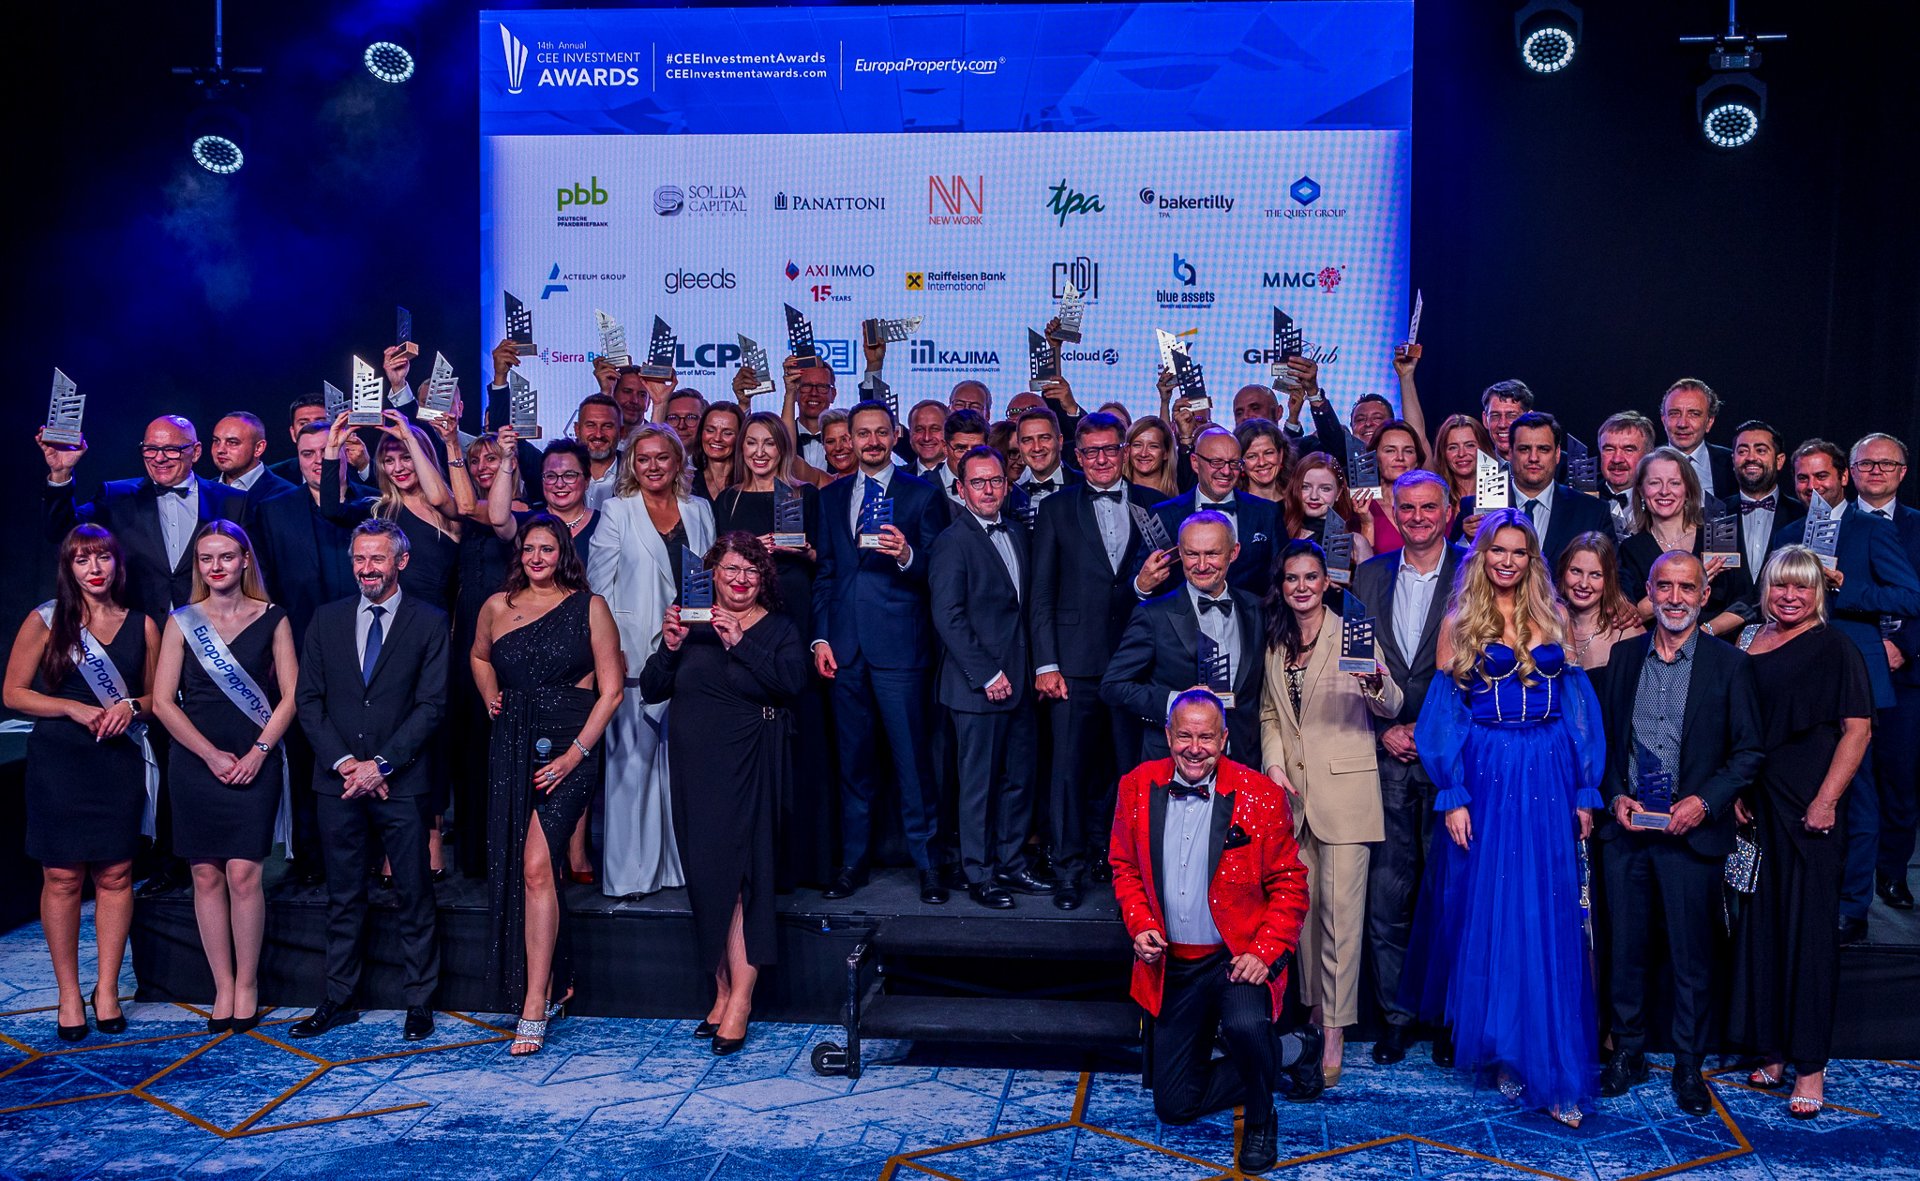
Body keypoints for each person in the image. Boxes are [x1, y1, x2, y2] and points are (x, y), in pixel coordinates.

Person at [1406, 509, 1604, 1125]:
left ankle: (1551, 1064)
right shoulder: (1459, 622)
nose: (1508, 561)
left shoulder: (1554, 617)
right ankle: (1506, 1050)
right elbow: (1443, 717)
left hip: (1546, 772)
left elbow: (1576, 708)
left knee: (1546, 915)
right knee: (1493, 914)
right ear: (1482, 555)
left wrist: (1583, 789)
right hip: (1488, 775)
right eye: (1498, 550)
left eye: (1519, 551)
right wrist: (1454, 791)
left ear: (1531, 558)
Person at [1109, 691, 1313, 1175]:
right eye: (1185, 736)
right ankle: (1290, 1050)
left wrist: (1265, 952)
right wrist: (1139, 925)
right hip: (1173, 965)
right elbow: (1123, 867)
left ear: (1223, 739)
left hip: (1234, 957)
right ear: (1168, 736)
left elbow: (1290, 884)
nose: (1195, 747)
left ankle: (1262, 1119)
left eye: (1206, 737)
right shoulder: (1136, 786)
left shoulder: (1261, 794)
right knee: (1175, 1105)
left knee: (1245, 1025)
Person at [1593, 551, 1763, 1115]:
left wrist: (1705, 802)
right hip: (1629, 833)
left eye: (1685, 588)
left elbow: (1747, 754)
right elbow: (1606, 744)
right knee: (1627, 952)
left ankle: (1689, 1065)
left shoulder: (1729, 664)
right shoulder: (1622, 657)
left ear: (1703, 595)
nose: (1673, 598)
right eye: (1663, 586)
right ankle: (1630, 1053)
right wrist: (1615, 792)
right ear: (1649, 589)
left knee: (1692, 958)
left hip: (1692, 835)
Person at [643, 534, 809, 1053]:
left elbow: (791, 683)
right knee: (707, 877)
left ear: (764, 580)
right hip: (694, 766)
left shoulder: (778, 627)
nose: (739, 580)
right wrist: (668, 648)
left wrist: (741, 641)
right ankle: (719, 989)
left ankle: (742, 998)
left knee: (743, 879)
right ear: (711, 574)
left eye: (750, 572)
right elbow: (651, 688)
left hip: (749, 764)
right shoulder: (692, 624)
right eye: (729, 569)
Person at [290, 518, 448, 1043]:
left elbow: (431, 707)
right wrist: (346, 766)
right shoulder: (326, 619)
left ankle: (420, 1002)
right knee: (342, 895)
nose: (366, 569)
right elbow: (307, 702)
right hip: (336, 783)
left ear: (401, 561)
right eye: (359, 559)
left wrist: (379, 766)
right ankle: (338, 998)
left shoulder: (429, 621)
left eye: (377, 559)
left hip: (400, 784)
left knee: (413, 893)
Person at [1728, 546, 1872, 1119]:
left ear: (1818, 592)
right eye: (1780, 586)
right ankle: (1773, 1050)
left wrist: (1827, 799)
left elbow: (1857, 731)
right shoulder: (1749, 641)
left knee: (1809, 934)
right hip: (1757, 802)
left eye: (1801, 587)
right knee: (1763, 928)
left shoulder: (1837, 647)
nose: (1789, 596)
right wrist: (1737, 790)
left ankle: (1810, 1066)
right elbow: (1738, 726)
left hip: (1811, 806)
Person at [471, 515, 623, 1055]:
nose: (537, 557)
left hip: (570, 747)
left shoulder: (590, 607)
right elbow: (479, 655)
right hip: (513, 743)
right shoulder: (496, 606)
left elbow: (612, 692)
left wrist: (575, 754)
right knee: (526, 868)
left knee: (538, 865)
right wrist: (490, 693)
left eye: (548, 549)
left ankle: (533, 1002)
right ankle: (555, 981)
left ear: (564, 554)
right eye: (530, 549)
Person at [3, 526, 158, 1041]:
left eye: (103, 558)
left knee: (115, 875)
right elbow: (14, 693)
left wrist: (131, 705)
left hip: (117, 764)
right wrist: (70, 705)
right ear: (68, 568)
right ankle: (69, 992)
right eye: (82, 560)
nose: (94, 569)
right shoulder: (46, 621)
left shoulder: (143, 625)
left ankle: (108, 988)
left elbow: (159, 699)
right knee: (63, 877)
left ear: (117, 564)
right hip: (60, 763)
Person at [1260, 540, 1400, 1084]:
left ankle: (1336, 1032)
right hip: (1293, 800)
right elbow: (1271, 714)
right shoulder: (1276, 641)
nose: (1301, 586)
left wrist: (1370, 679)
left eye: (1310, 577)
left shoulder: (1350, 632)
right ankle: (1317, 1017)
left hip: (1345, 797)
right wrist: (1273, 767)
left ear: (1327, 582)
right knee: (1304, 924)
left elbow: (1390, 704)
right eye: (1292, 577)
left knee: (1342, 922)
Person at [150, 521, 299, 1034]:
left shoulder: (273, 618)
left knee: (244, 873)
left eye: (227, 557)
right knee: (206, 874)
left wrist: (259, 751)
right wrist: (210, 755)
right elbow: (162, 702)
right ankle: (221, 984)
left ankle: (248, 984)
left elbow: (292, 696)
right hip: (196, 760)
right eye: (207, 558)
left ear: (245, 561)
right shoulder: (182, 621)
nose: (217, 567)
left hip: (255, 758)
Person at [1771, 440, 1920, 943]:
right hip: (1799, 680)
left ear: (1843, 479)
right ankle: (1803, 895)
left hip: (1856, 674)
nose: (1813, 488)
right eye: (1803, 479)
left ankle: (1853, 906)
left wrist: (1843, 585)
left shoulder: (1872, 531)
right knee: (1799, 788)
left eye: (1822, 477)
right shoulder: (1790, 534)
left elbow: (1909, 595)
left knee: (1856, 794)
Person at [1348, 470, 1468, 1066]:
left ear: (1447, 511)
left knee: (1449, 897)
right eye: (1408, 508)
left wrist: (1433, 733)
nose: (1418, 517)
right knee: (1388, 896)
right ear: (1392, 512)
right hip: (1386, 759)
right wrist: (1381, 729)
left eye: (1429, 508)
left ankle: (1448, 1017)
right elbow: (1352, 667)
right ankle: (1395, 1016)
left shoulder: (1477, 571)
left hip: (1455, 767)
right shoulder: (1366, 577)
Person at [811, 401, 947, 903]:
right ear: (848, 438)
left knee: (912, 762)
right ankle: (853, 861)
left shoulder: (921, 495)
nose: (870, 442)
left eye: (880, 433)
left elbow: (937, 569)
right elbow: (826, 572)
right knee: (854, 763)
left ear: (896, 437)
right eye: (861, 434)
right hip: (845, 650)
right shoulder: (832, 497)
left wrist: (907, 555)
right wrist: (821, 637)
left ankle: (928, 864)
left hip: (900, 650)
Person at [319, 410, 460, 879]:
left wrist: (408, 434)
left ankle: (432, 835)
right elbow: (331, 509)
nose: (398, 466)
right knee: (392, 728)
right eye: (390, 458)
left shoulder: (448, 508)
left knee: (434, 734)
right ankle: (391, 841)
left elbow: (440, 493)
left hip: (437, 633)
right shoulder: (380, 510)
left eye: (405, 456)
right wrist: (334, 445)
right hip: (389, 631)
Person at [587, 424, 716, 898]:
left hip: (692, 648)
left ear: (678, 461)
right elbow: (598, 589)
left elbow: (710, 576)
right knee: (632, 763)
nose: (654, 466)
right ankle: (629, 876)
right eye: (644, 459)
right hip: (634, 650)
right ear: (632, 465)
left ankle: (673, 869)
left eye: (663, 457)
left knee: (677, 765)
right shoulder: (617, 511)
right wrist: (608, 650)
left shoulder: (698, 509)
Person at [1030, 413, 1149, 907]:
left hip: (1137, 662)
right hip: (1073, 663)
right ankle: (1069, 870)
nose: (1101, 459)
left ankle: (1130, 874)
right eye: (1090, 452)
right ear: (1076, 457)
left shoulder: (1154, 505)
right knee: (1069, 773)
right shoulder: (1056, 507)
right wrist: (1046, 663)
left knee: (1131, 773)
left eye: (1110, 449)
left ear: (1123, 450)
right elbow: (1040, 592)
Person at [930, 446, 1048, 908]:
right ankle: (979, 873)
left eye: (995, 481)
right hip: (976, 686)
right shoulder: (951, 540)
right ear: (961, 490)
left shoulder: (1017, 532)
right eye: (977, 482)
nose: (988, 490)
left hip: (1020, 681)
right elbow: (947, 616)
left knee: (1019, 779)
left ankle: (1013, 864)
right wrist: (987, 673)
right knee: (977, 785)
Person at [41, 414, 249, 633]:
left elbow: (252, 572)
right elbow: (60, 533)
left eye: (171, 449)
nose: (159, 458)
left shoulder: (232, 501)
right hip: (136, 636)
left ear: (195, 451)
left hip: (212, 638)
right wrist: (61, 472)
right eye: (150, 449)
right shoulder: (115, 496)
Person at [1103, 513, 1265, 764]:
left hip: (1243, 758)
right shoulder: (1153, 615)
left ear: (1233, 553)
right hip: (1171, 761)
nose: (1201, 565)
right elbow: (1112, 686)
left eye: (1212, 554)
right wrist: (1176, 701)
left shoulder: (1256, 609)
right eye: (1191, 554)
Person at [1846, 434, 1920, 914]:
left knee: (1899, 779)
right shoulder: (1834, 524)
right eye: (1865, 463)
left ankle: (1891, 874)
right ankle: (1848, 884)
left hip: (1905, 672)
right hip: (1846, 670)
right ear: (1850, 470)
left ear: (1903, 472)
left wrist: (1902, 648)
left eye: (1885, 464)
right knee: (1850, 780)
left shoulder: (1917, 527)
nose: (1875, 471)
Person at [1617, 447, 1751, 636]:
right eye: (1655, 483)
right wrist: (1694, 577)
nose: (1664, 491)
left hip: (1717, 647)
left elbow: (1745, 603)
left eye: (1674, 483)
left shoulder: (1718, 535)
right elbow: (1634, 615)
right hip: (1658, 652)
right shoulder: (1631, 549)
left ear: (1688, 490)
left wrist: (1704, 633)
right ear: (1640, 490)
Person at [1453, 413, 1613, 562]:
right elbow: (1450, 572)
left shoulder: (1592, 512)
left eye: (1543, 449)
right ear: (1510, 453)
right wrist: (1467, 542)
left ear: (1557, 454)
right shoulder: (1475, 508)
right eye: (1524, 449)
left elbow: (1615, 578)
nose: (1533, 458)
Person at [1146, 427, 1281, 598]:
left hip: (1251, 621)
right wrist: (1141, 587)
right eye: (1216, 462)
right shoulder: (1164, 515)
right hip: (1184, 622)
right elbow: (1145, 580)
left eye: (1234, 463)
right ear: (1195, 462)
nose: (1226, 471)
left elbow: (1280, 577)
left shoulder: (1266, 513)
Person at [1556, 532, 1645, 678]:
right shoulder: (1545, 624)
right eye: (1576, 571)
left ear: (1609, 579)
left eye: (1596, 575)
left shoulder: (1628, 632)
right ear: (1563, 571)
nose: (1584, 584)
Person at [1280, 453, 1372, 577]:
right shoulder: (1279, 532)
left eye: (1325, 489)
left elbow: (1368, 593)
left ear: (1338, 492)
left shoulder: (1355, 543)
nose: (1314, 496)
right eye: (1305, 487)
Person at [1729, 421, 1801, 571]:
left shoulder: (1801, 515)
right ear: (1733, 460)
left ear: (1779, 461)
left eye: (1760, 450)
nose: (1751, 458)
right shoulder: (1714, 514)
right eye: (1742, 451)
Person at [1356, 419, 1426, 554]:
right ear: (1374, 457)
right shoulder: (1362, 507)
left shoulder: (1432, 507)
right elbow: (1361, 568)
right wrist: (1366, 525)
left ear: (1417, 460)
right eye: (1390, 450)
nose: (1400, 457)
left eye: (1408, 451)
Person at [1660, 378, 1735, 500]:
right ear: (1664, 420)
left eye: (1694, 414)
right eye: (1674, 413)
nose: (1682, 424)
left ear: (1709, 422)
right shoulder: (1645, 463)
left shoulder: (1731, 463)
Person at [208, 411, 296, 514]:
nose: (220, 449)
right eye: (216, 441)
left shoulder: (285, 495)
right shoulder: (204, 491)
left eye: (232, 443)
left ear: (258, 448)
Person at [1596, 411, 1657, 538]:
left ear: (1649, 455)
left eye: (1628, 449)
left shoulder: (1660, 499)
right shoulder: (1580, 497)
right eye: (1609, 449)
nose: (1617, 459)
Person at [1013, 407, 1080, 504]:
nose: (1037, 448)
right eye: (1027, 440)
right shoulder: (1012, 495)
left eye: (1044, 438)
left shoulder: (1084, 485)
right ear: (1019, 447)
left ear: (1060, 442)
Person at [1427, 414, 1494, 509]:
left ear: (1483, 448)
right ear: (1443, 453)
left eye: (1470, 445)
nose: (1461, 454)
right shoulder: (1434, 494)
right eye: (1453, 447)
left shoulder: (1501, 492)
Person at [573, 393, 624, 510]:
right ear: (577, 430)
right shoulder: (558, 473)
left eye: (607, 426)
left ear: (621, 431)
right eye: (591, 425)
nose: (598, 434)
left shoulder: (636, 472)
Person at [691, 401, 744, 500]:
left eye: (727, 433)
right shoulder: (687, 483)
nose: (717, 438)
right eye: (710, 430)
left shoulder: (750, 483)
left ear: (740, 437)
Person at [1234, 419, 1292, 503]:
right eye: (1252, 456)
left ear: (1281, 455)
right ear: (1240, 464)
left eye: (1268, 453)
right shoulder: (1233, 507)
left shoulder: (1297, 503)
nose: (1262, 462)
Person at [1125, 415, 1179, 499]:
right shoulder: (1116, 494)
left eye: (1153, 446)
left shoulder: (1180, 498)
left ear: (1166, 453)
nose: (1143, 454)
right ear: (1127, 450)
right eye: (1137, 445)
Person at [1478, 380, 1532, 464]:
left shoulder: (1557, 465)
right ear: (1485, 420)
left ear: (1530, 418)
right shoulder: (1473, 469)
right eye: (1495, 416)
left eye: (1511, 416)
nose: (1502, 424)